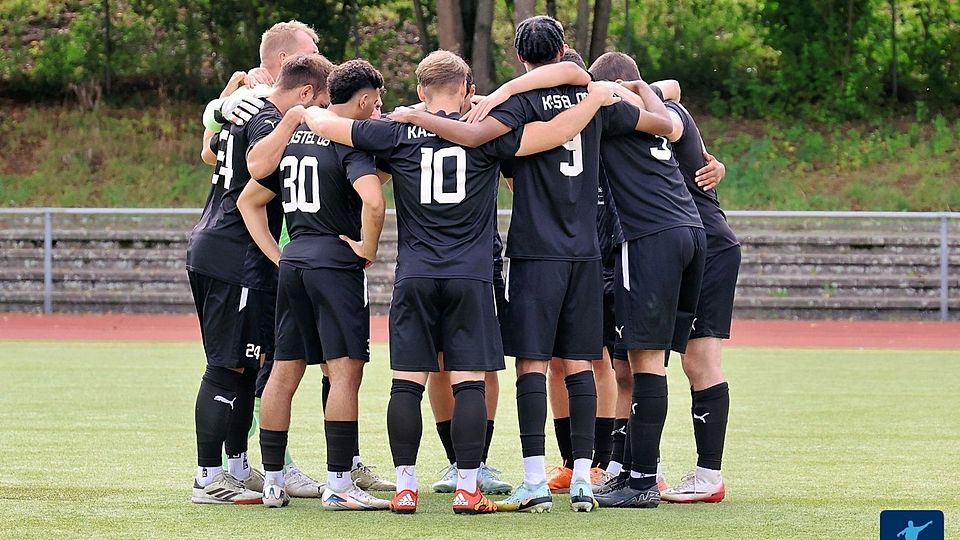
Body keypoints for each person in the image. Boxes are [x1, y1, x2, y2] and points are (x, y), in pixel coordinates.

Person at [303, 49, 623, 514]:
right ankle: (467, 487)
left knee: (406, 384)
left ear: (419, 92)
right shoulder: (485, 133)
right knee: (469, 382)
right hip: (471, 275)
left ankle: (406, 488)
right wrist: (592, 99)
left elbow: (326, 124)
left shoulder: (394, 131)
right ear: (468, 91)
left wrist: (300, 109)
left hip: (415, 273)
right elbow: (558, 132)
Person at [389, 17, 669, 513]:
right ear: (564, 50)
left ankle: (536, 480)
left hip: (533, 251)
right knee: (582, 364)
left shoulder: (516, 104)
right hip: (585, 250)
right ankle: (584, 478)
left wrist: (420, 114)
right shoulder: (597, 100)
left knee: (533, 366)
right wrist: (639, 94)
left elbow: (476, 139)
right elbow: (663, 123)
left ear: (520, 58)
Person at [203, 20, 394, 495]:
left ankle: (271, 479)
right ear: (366, 99)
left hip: (293, 261)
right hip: (332, 259)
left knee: (282, 371)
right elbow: (372, 199)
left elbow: (240, 180)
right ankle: (340, 479)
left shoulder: (290, 133)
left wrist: (279, 255)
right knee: (344, 369)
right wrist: (367, 249)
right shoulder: (344, 137)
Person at [187, 52, 330, 505]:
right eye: (320, 103)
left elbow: (211, 144)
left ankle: (236, 467)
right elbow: (260, 165)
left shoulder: (248, 105)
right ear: (305, 93)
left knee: (248, 365)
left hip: (219, 246)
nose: (319, 112)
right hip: (236, 255)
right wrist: (278, 255)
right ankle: (208, 478)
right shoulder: (269, 117)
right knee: (227, 366)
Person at [585, 51, 706, 509]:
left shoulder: (612, 111)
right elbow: (670, 96)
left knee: (645, 363)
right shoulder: (655, 104)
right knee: (646, 363)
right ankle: (632, 471)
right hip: (688, 232)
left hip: (648, 237)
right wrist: (643, 89)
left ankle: (641, 481)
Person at [653, 87, 738, 505]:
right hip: (681, 245)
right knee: (649, 358)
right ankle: (641, 467)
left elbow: (672, 93)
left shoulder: (662, 112)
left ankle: (708, 475)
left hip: (708, 246)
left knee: (699, 359)